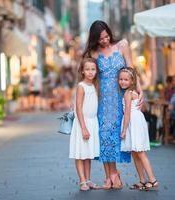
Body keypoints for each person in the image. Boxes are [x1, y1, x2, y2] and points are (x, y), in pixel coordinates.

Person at [82, 20, 143, 189]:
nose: (105, 41)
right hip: (101, 99)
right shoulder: (93, 52)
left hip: (121, 97)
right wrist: (80, 99)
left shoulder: (122, 45)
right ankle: (109, 176)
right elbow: (89, 76)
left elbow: (131, 68)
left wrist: (139, 88)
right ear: (95, 39)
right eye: (101, 38)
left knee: (117, 134)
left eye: (107, 36)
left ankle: (114, 173)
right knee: (104, 135)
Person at [119, 67, 159, 191]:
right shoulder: (133, 92)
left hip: (132, 122)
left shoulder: (128, 93)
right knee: (135, 153)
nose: (123, 82)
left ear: (132, 81)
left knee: (140, 152)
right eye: (120, 79)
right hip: (136, 120)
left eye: (126, 79)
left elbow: (127, 113)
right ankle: (142, 180)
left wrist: (124, 130)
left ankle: (152, 179)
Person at [69, 58, 100, 191]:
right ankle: (82, 181)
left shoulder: (95, 85)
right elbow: (78, 109)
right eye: (87, 69)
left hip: (93, 122)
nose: (90, 72)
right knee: (80, 153)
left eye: (93, 69)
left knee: (88, 154)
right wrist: (83, 128)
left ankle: (88, 179)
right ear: (82, 71)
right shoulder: (81, 87)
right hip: (83, 123)